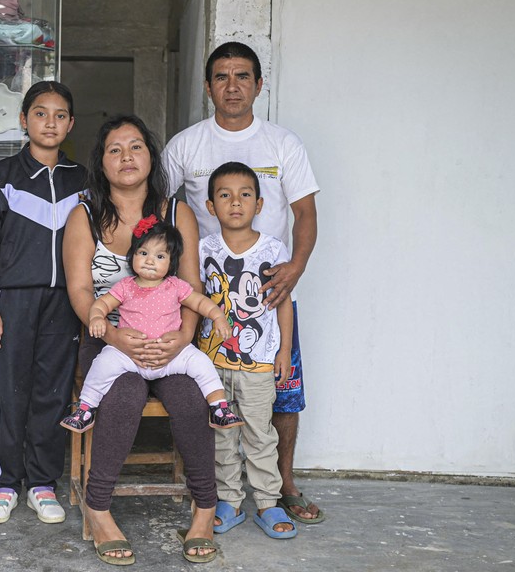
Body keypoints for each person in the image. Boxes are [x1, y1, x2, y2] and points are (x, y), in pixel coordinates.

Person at [162, 41, 324, 525]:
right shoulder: (186, 145)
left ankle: (282, 486)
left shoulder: (282, 143)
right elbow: (159, 209)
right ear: (207, 86)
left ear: (258, 84)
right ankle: (221, 492)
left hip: (272, 295)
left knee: (282, 392)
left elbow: (305, 213)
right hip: (206, 298)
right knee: (216, 400)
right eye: (221, 77)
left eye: (242, 77)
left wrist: (295, 267)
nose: (232, 86)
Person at [63, 114, 220, 565]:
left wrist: (183, 337)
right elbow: (80, 291)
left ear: (151, 157)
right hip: (107, 341)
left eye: (136, 146)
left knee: (189, 397)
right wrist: (115, 336)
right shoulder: (84, 215)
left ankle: (205, 509)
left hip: (171, 340)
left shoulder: (177, 213)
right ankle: (98, 507)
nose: (126, 156)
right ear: (101, 162)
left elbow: (191, 288)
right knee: (126, 392)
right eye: (114, 149)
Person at [0, 81, 87, 526]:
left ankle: (41, 483)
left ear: (70, 124)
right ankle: (5, 483)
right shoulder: (2, 175)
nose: (50, 123)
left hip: (65, 303)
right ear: (24, 120)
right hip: (12, 302)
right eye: (40, 113)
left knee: (52, 393)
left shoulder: (82, 179)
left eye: (60, 115)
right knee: (11, 393)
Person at [60, 217, 241, 433]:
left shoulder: (176, 286)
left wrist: (218, 317)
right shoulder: (126, 286)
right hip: (130, 356)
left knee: (201, 362)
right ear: (133, 255)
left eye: (160, 256)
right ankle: (85, 409)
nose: (149, 261)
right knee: (103, 362)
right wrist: (97, 317)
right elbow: (102, 304)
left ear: (171, 262)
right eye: (143, 253)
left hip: (170, 357)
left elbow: (200, 302)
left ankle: (219, 407)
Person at [198, 161, 297, 538]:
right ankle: (230, 501)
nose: (235, 202)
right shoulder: (204, 249)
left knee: (260, 434)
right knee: (221, 435)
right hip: (212, 363)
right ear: (211, 206)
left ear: (259, 204)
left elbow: (283, 302)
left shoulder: (273, 249)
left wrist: (284, 351)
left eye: (245, 195)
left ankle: (268, 502)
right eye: (225, 195)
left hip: (259, 363)